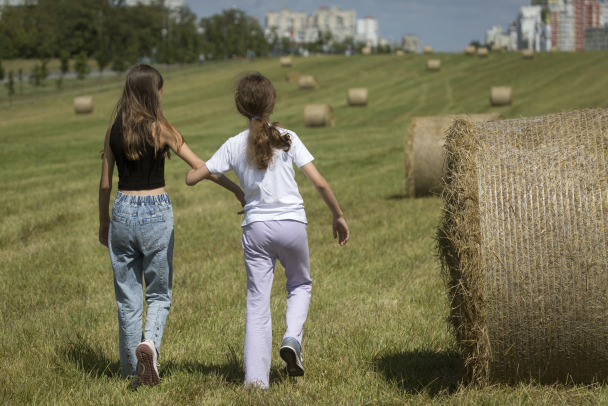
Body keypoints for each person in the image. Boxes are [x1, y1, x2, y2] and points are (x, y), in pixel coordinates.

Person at [185, 71, 349, 389]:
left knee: (257, 302)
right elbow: (319, 182)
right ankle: (291, 338)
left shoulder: (233, 145)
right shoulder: (287, 137)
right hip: (293, 225)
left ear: (240, 107)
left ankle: (256, 381)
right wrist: (338, 215)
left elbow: (193, 177)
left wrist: (223, 179)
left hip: (256, 229)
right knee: (299, 284)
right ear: (272, 102)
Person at [98, 64, 244, 388]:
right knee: (160, 295)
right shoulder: (161, 128)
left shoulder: (113, 131)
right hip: (154, 212)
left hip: (121, 210)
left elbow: (105, 183)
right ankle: (149, 345)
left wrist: (103, 221)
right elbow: (202, 167)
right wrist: (236, 189)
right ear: (153, 92)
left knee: (127, 298)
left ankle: (129, 370)